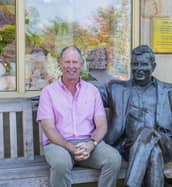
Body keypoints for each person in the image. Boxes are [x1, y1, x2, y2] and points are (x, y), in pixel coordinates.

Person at [99, 45, 172, 187]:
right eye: (135, 64)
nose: (139, 68)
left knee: (148, 133)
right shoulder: (117, 89)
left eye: (144, 64)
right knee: (153, 153)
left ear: (153, 66)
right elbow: (87, 94)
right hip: (129, 148)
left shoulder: (168, 90)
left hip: (165, 145)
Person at [36, 46, 121, 187]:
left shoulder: (92, 91)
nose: (71, 66)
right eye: (67, 62)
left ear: (81, 64)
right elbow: (48, 128)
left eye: (75, 62)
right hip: (59, 145)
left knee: (114, 159)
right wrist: (69, 147)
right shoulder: (48, 92)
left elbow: (101, 125)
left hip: (87, 143)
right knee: (60, 164)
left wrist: (91, 144)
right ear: (60, 64)